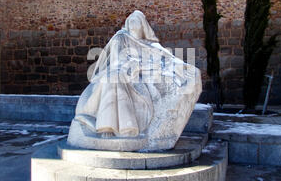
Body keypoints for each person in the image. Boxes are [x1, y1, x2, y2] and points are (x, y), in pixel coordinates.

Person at [73, 10, 202, 138]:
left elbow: (168, 58)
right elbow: (116, 61)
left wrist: (186, 68)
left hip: (137, 76)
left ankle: (127, 127)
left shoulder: (150, 44)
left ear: (143, 27)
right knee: (114, 78)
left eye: (137, 23)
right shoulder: (121, 38)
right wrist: (130, 65)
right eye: (131, 23)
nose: (134, 26)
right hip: (120, 71)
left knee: (120, 78)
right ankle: (107, 126)